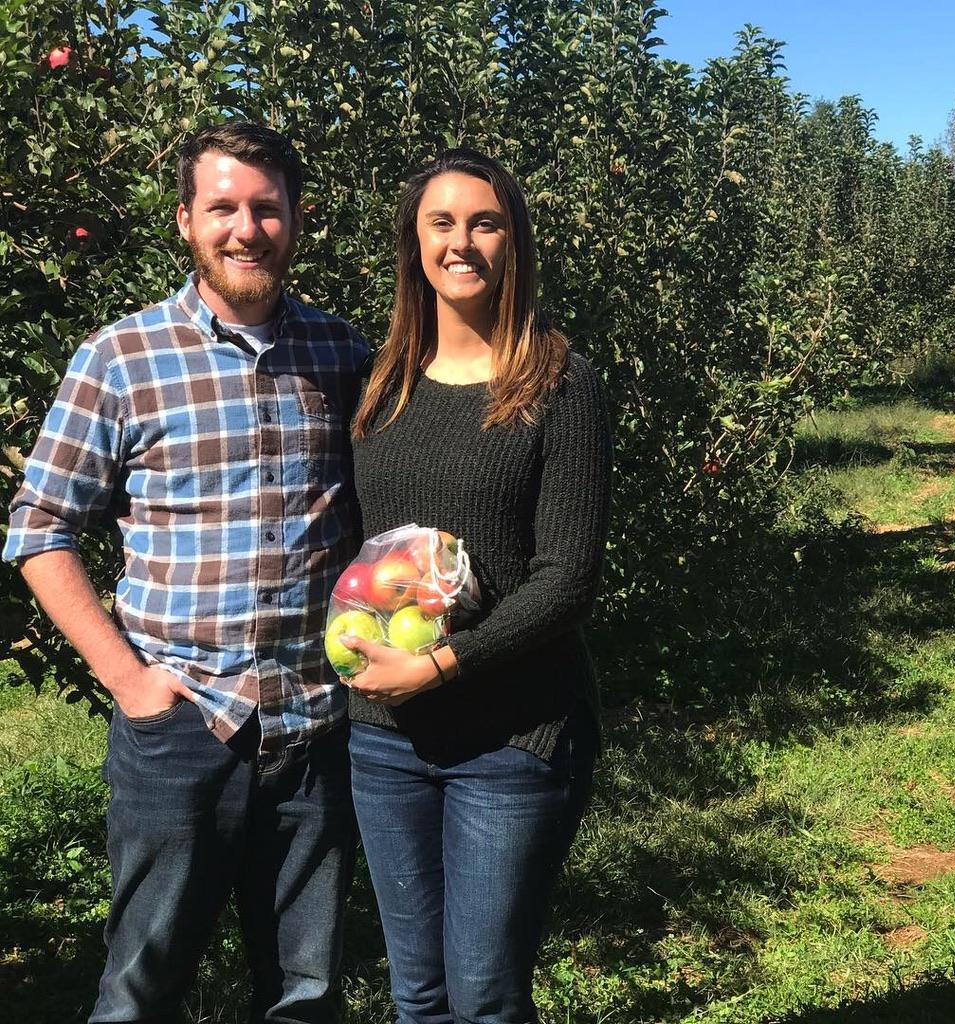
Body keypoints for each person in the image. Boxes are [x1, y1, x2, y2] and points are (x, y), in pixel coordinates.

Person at [3, 121, 368, 1023]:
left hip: (315, 725)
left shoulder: (344, 354)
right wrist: (129, 683)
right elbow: (40, 529)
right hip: (180, 725)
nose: (246, 228)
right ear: (185, 221)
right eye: (224, 208)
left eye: (267, 208)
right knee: (139, 988)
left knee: (306, 993)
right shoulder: (120, 359)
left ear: (296, 219)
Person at [341, 148, 613, 1024]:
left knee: (487, 995)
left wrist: (442, 665)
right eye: (442, 223)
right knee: (418, 994)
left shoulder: (559, 385)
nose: (463, 244)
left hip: (511, 737)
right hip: (384, 739)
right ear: (414, 243)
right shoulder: (379, 384)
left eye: (485, 222)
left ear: (515, 242)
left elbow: (568, 576)